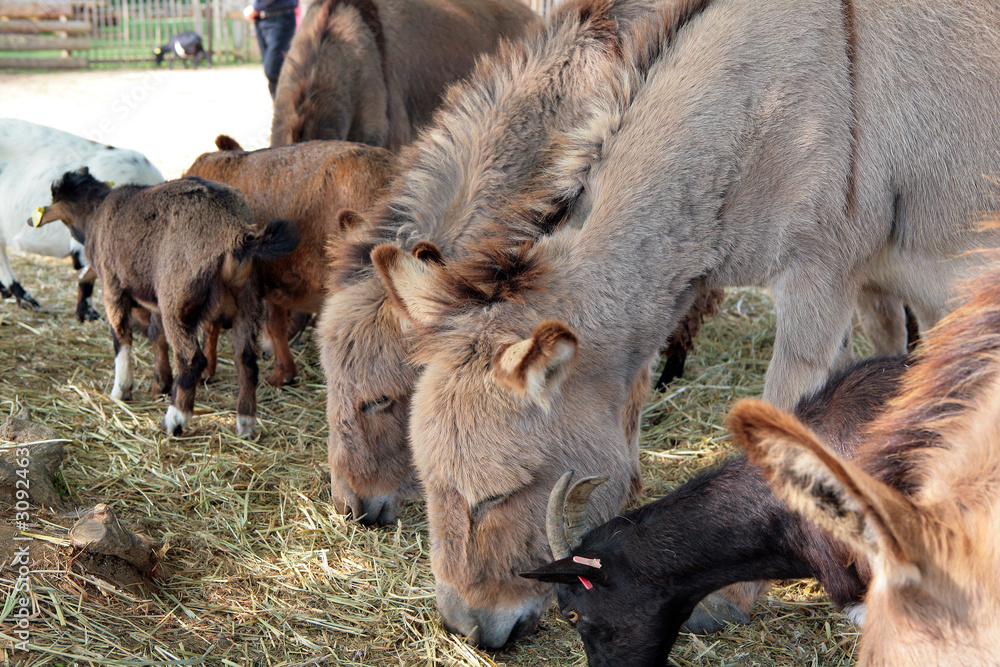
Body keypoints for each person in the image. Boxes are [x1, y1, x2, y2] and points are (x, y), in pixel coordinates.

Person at [243, 0, 297, 98]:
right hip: (261, 19)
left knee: (273, 69)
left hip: (281, 17)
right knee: (273, 70)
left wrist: (255, 7)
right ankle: (280, 107)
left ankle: (285, 107)